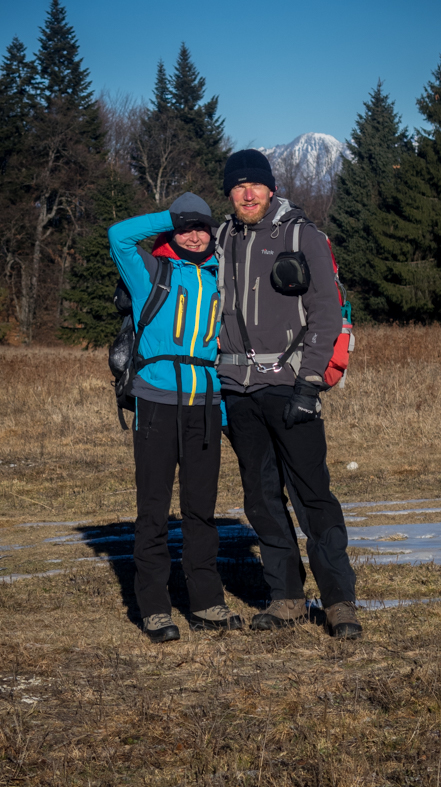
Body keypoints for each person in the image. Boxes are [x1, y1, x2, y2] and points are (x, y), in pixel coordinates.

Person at [216, 150, 362, 639]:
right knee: (260, 499)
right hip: (238, 390)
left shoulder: (304, 237)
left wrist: (310, 382)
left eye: (255, 185)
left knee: (312, 496)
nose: (247, 194)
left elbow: (326, 314)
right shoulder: (221, 239)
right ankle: (287, 599)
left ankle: (340, 602)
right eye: (238, 187)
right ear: (230, 194)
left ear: (271, 188)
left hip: (291, 387)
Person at [108, 193, 243, 643]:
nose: (193, 233)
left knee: (200, 511)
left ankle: (205, 602)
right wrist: (172, 215)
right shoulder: (150, 272)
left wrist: (223, 410)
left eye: (201, 226)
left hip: (205, 404)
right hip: (157, 403)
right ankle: (154, 608)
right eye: (185, 226)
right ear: (171, 230)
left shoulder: (218, 277)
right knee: (153, 510)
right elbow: (118, 236)